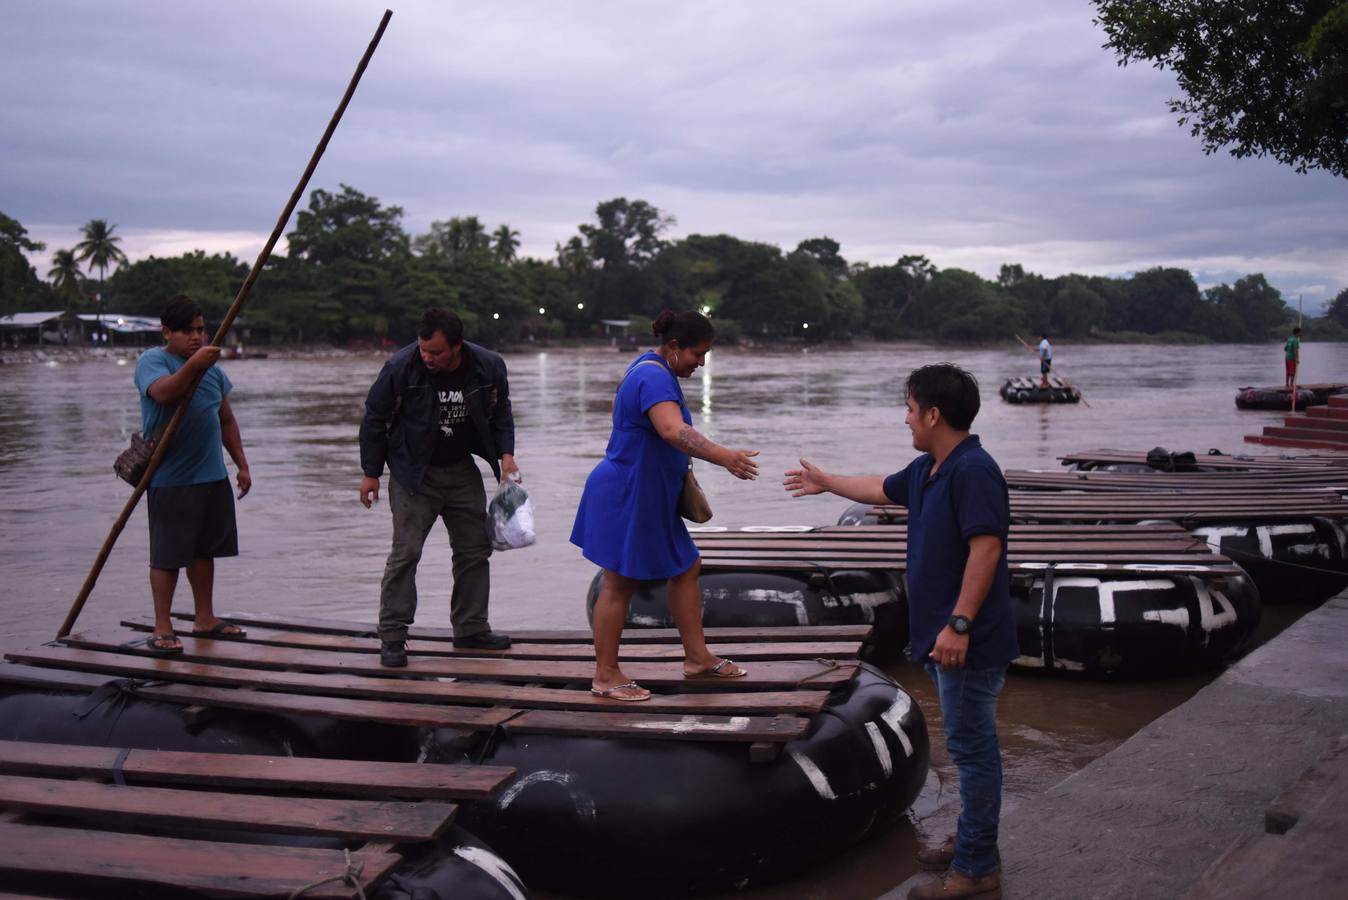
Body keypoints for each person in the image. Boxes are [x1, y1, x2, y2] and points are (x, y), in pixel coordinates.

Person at [783, 363, 1017, 900]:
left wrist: (959, 624)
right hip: (943, 638)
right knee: (967, 746)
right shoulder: (931, 468)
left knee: (974, 749)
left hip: (968, 641)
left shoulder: (974, 471)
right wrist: (825, 482)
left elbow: (987, 549)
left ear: (934, 414)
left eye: (910, 409)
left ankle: (978, 869)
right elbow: (878, 488)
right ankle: (973, 842)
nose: (905, 418)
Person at [571, 310, 760, 701]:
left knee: (686, 565)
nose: (702, 362)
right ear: (674, 347)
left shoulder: (650, 368)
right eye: (697, 353)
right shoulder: (653, 375)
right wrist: (724, 455)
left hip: (648, 494)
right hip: (628, 493)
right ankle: (605, 675)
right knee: (620, 582)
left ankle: (697, 658)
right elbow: (672, 430)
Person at [359, 308, 518, 667]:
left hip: (462, 469)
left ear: (457, 347)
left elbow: (501, 411)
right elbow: (374, 418)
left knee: (474, 551)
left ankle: (471, 628)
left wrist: (506, 455)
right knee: (406, 553)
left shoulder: (488, 366)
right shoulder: (400, 368)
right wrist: (371, 472)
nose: (426, 357)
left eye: (435, 353)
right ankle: (394, 636)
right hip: (413, 474)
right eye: (423, 350)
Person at [134, 295, 251, 654]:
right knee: (168, 555)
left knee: (204, 552)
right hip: (172, 478)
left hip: (211, 475)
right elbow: (165, 394)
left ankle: (205, 618)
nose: (197, 337)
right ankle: (162, 626)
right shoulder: (153, 361)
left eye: (201, 330)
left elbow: (226, 419)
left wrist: (242, 465)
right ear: (167, 332)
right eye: (188, 331)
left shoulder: (213, 370)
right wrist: (193, 366)